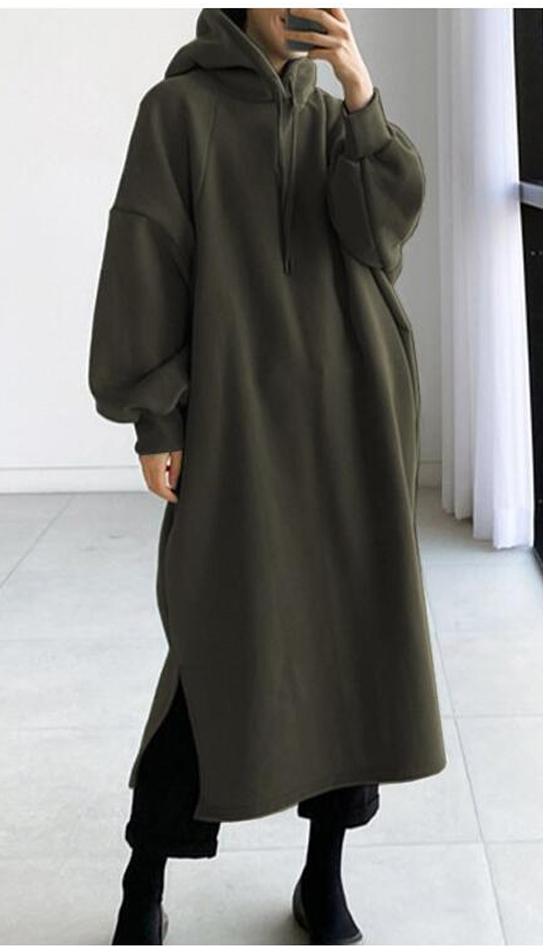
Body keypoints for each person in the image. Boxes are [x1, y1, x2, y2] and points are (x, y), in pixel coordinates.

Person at [88, 7, 446, 945]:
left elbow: (384, 234)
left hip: (351, 416)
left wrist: (362, 92)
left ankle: (323, 878)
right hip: (238, 418)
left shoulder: (337, 115)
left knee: (349, 644)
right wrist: (156, 415)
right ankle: (142, 884)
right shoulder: (177, 109)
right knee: (216, 644)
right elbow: (146, 255)